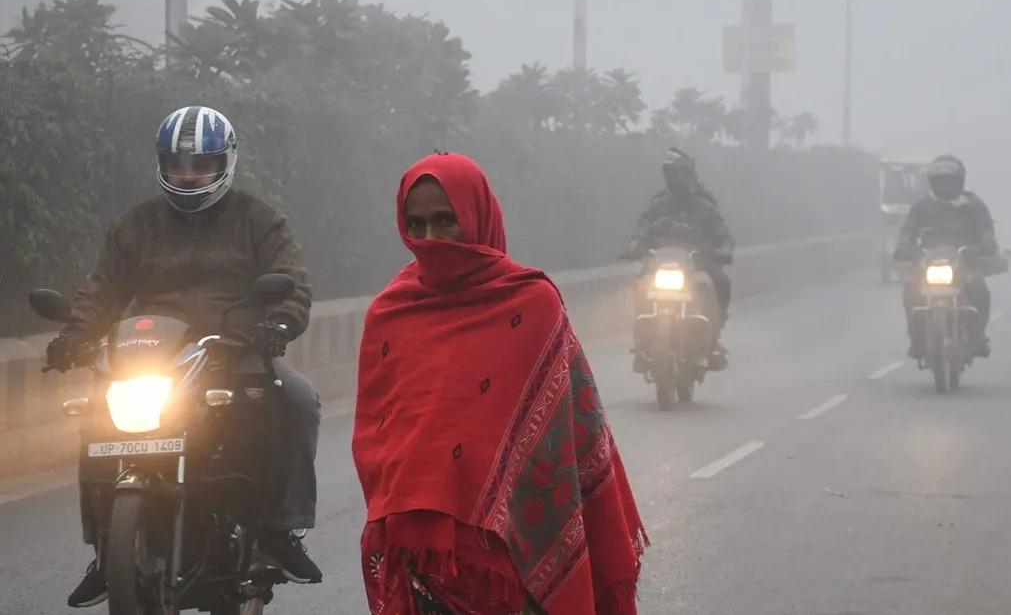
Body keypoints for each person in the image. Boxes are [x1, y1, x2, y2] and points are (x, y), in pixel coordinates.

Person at [47, 106, 323, 608]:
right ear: (163, 163)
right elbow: (101, 290)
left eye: (203, 163)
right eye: (178, 163)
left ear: (227, 162)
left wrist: (278, 323)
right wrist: (76, 334)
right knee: (94, 420)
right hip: (151, 357)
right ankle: (106, 550)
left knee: (298, 399)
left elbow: (292, 282)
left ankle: (280, 532)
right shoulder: (136, 225)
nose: (190, 174)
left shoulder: (258, 220)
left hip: (234, 351)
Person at [353, 152, 647, 614]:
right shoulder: (390, 314)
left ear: (478, 217)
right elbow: (379, 438)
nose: (430, 239)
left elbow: (570, 437)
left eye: (446, 221)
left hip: (511, 570)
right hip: (422, 564)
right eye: (418, 224)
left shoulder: (531, 304)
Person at [624, 148, 734, 361]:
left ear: (691, 174)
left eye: (682, 173)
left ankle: (714, 333)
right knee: (640, 284)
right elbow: (642, 227)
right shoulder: (658, 205)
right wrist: (634, 245)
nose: (678, 178)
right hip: (661, 263)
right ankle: (643, 337)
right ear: (667, 176)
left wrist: (724, 250)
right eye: (674, 174)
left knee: (721, 282)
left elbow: (723, 233)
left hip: (697, 262)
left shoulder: (705, 206)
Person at [894, 154, 998, 359]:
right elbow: (907, 231)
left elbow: (987, 231)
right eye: (940, 181)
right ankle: (916, 340)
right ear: (932, 183)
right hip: (928, 264)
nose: (945, 186)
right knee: (911, 292)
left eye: (950, 181)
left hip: (965, 263)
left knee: (979, 288)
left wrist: (984, 246)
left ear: (959, 182)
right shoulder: (921, 207)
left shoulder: (973, 206)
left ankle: (978, 337)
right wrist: (905, 247)